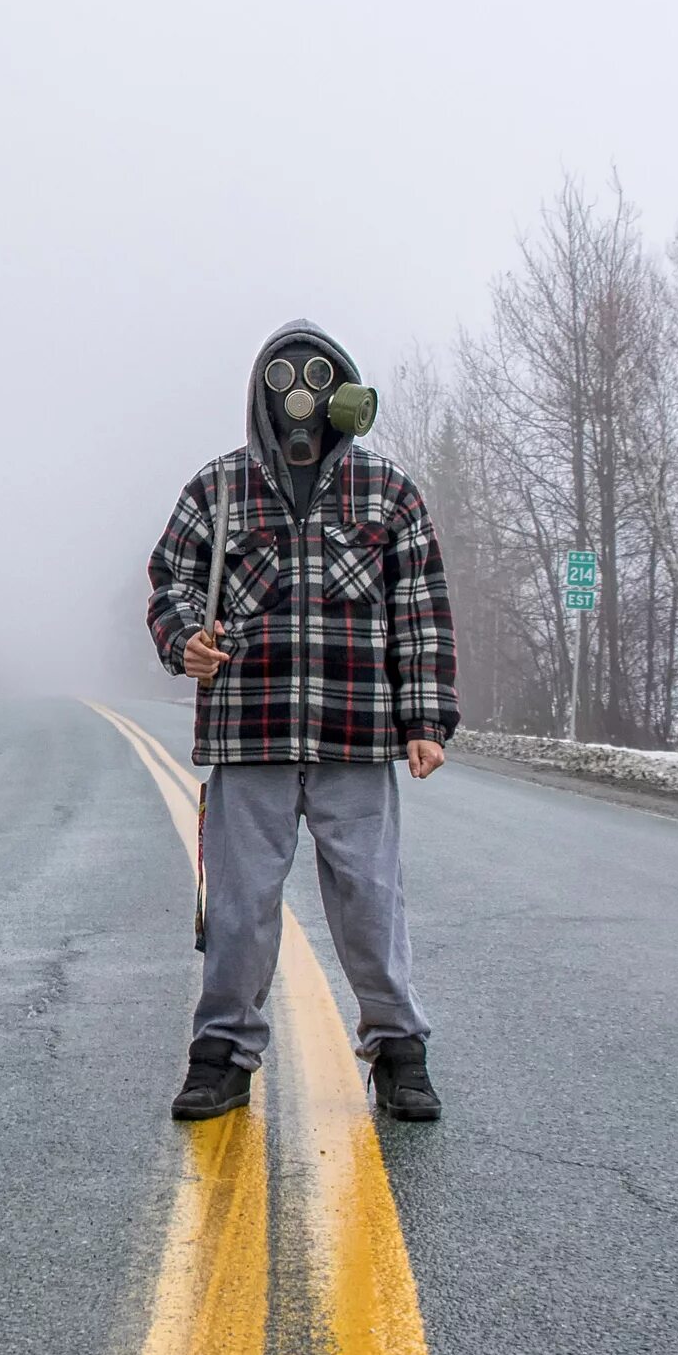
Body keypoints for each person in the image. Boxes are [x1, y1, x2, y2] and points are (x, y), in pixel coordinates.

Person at [143, 320, 458, 1124]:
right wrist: (187, 641)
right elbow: (171, 582)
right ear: (262, 395)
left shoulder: (389, 493)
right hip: (250, 736)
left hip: (358, 735)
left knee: (369, 898)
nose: (301, 403)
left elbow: (420, 613)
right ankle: (221, 1058)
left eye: (317, 382)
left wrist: (427, 719)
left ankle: (399, 1053)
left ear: (342, 392)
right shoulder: (217, 490)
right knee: (241, 904)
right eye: (285, 383)